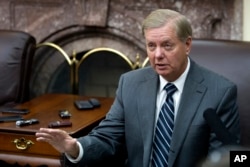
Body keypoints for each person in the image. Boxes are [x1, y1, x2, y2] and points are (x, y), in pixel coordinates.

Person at [36, 9, 240, 167]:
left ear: (187, 45)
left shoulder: (219, 92)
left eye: (167, 45)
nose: (157, 54)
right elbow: (108, 138)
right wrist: (75, 147)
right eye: (151, 46)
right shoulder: (130, 84)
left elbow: (224, 158)